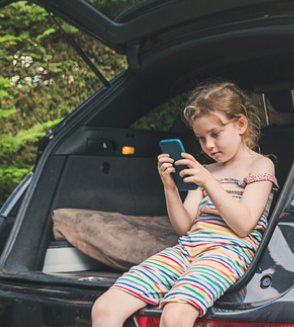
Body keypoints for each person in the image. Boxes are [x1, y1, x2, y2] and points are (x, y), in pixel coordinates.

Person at [91, 82, 277, 327]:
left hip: (227, 252)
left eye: (215, 134)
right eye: (201, 138)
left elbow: (244, 225)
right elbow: (183, 226)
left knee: (175, 316)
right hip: (186, 250)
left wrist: (208, 181)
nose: (208, 145)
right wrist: (170, 187)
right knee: (104, 308)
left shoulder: (260, 165)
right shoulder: (205, 170)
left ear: (241, 125)